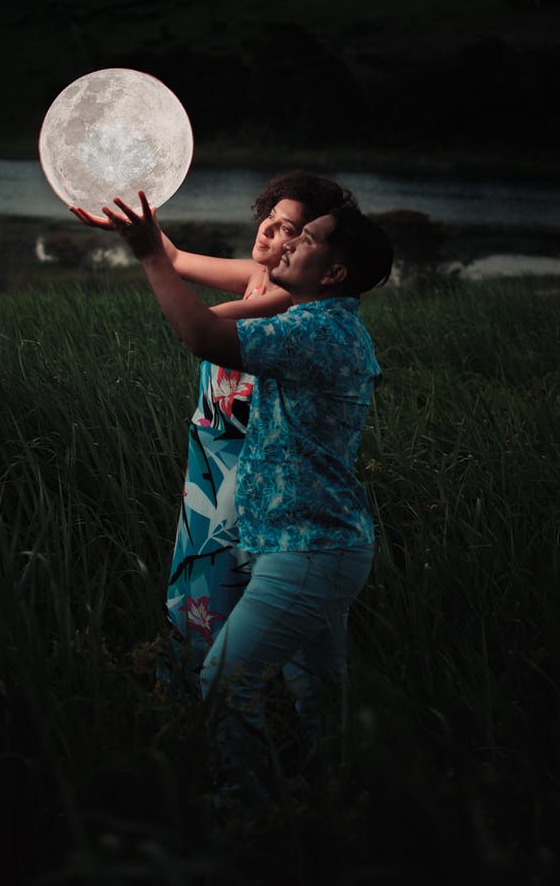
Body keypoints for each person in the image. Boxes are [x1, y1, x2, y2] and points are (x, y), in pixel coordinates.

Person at [72, 187, 393, 803]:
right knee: (319, 693)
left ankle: (242, 809)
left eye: (305, 236)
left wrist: (147, 257)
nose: (287, 241)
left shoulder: (318, 331)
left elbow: (201, 335)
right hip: (307, 543)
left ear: (333, 272)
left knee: (225, 681)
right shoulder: (314, 319)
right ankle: (337, 803)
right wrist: (151, 244)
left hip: (309, 548)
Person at [125, 171, 350, 684]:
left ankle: (223, 690)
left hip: (246, 465)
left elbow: (208, 325)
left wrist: (148, 256)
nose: (269, 232)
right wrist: (139, 216)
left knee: (231, 584)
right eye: (269, 218)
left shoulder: (286, 301)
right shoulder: (255, 273)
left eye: (289, 229)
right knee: (201, 577)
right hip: (209, 454)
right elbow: (178, 259)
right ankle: (199, 686)